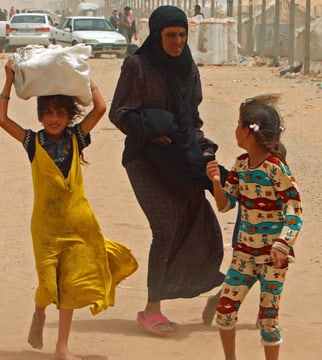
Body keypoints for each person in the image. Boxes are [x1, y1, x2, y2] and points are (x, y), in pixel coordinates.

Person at [0, 59, 138, 359]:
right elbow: (1, 119)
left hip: (78, 226)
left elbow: (100, 109)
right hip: (45, 229)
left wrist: (85, 76)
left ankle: (62, 347)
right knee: (48, 283)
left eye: (60, 113)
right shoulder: (33, 142)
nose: (54, 119)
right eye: (48, 113)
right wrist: (8, 80)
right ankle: (39, 313)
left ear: (69, 117)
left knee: (69, 286)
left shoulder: (76, 138)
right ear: (40, 116)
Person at [109, 5, 225, 336]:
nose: (176, 41)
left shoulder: (189, 70)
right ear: (157, 35)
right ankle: (151, 310)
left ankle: (224, 288)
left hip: (178, 156)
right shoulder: (138, 66)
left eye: (181, 35)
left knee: (197, 219)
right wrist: (149, 127)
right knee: (165, 226)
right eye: (170, 35)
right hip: (144, 159)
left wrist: (202, 149)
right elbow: (119, 113)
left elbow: (193, 120)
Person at [205, 94, 303, 360]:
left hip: (272, 259)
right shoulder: (240, 165)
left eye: (238, 125)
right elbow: (226, 206)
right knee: (225, 311)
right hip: (244, 256)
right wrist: (215, 181)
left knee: (268, 320)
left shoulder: (275, 168)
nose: (235, 131)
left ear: (248, 131)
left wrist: (283, 244)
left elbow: (295, 210)